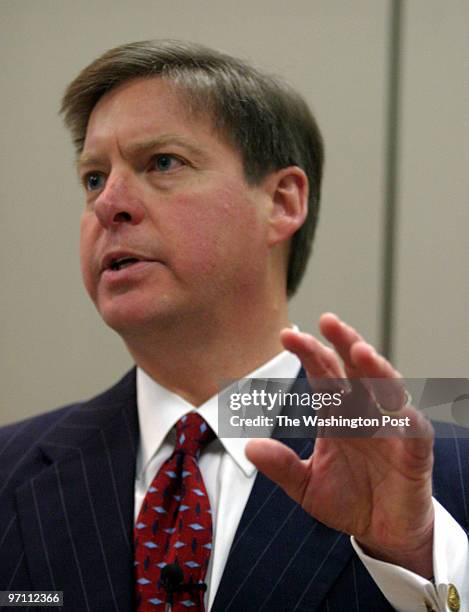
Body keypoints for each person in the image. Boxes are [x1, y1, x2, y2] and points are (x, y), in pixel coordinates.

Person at [0, 40, 467, 612]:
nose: (109, 204)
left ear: (281, 200)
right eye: (94, 178)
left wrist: (410, 555)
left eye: (162, 163)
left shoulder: (443, 477)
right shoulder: (10, 472)